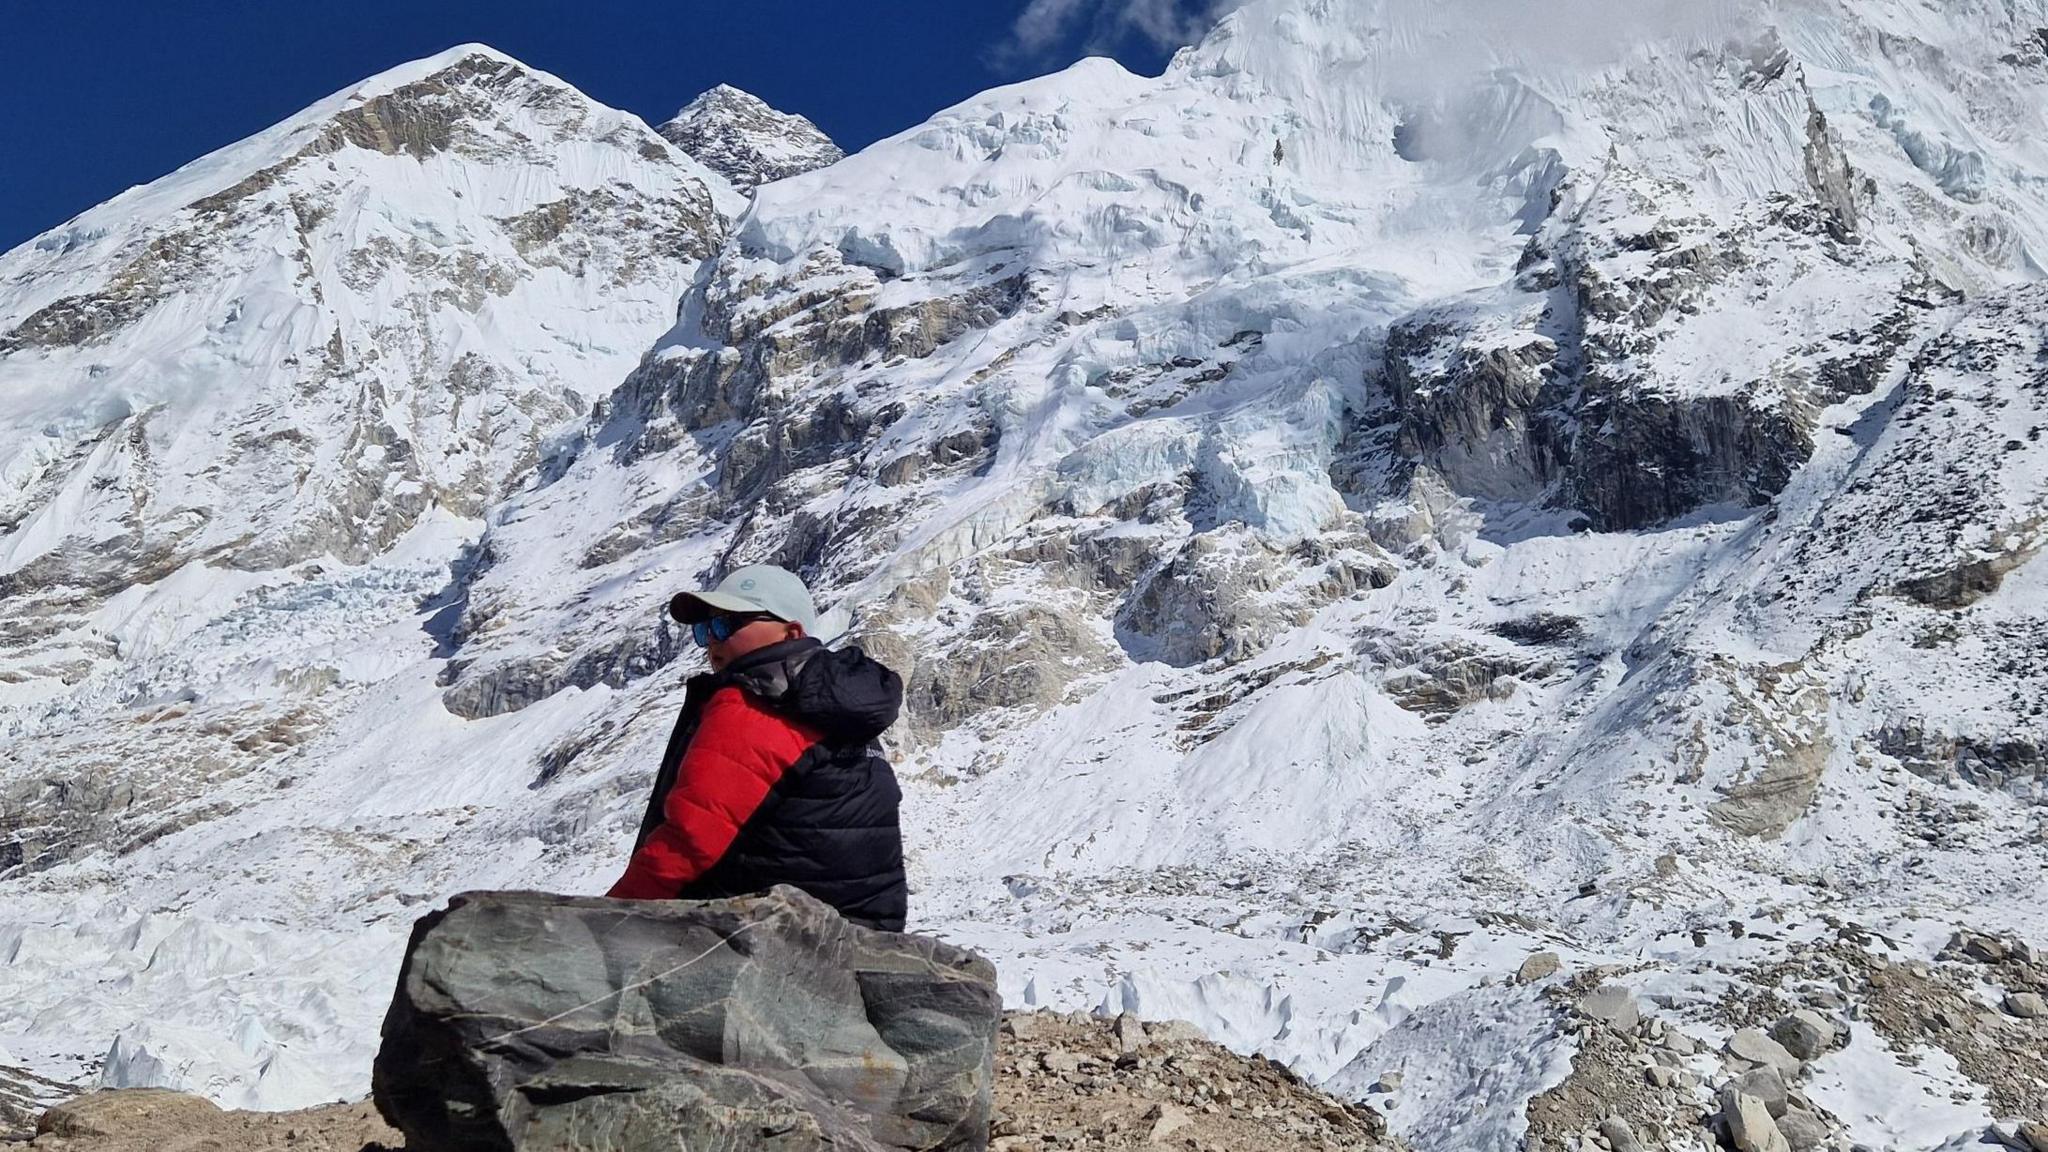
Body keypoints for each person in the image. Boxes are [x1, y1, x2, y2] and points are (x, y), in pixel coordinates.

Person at [605, 564, 909, 932]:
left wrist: (609, 918)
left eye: (727, 624)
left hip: (765, 936)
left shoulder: (756, 701)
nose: (712, 642)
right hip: (858, 933)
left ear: (790, 632)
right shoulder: (837, 705)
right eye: (704, 630)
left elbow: (690, 839)